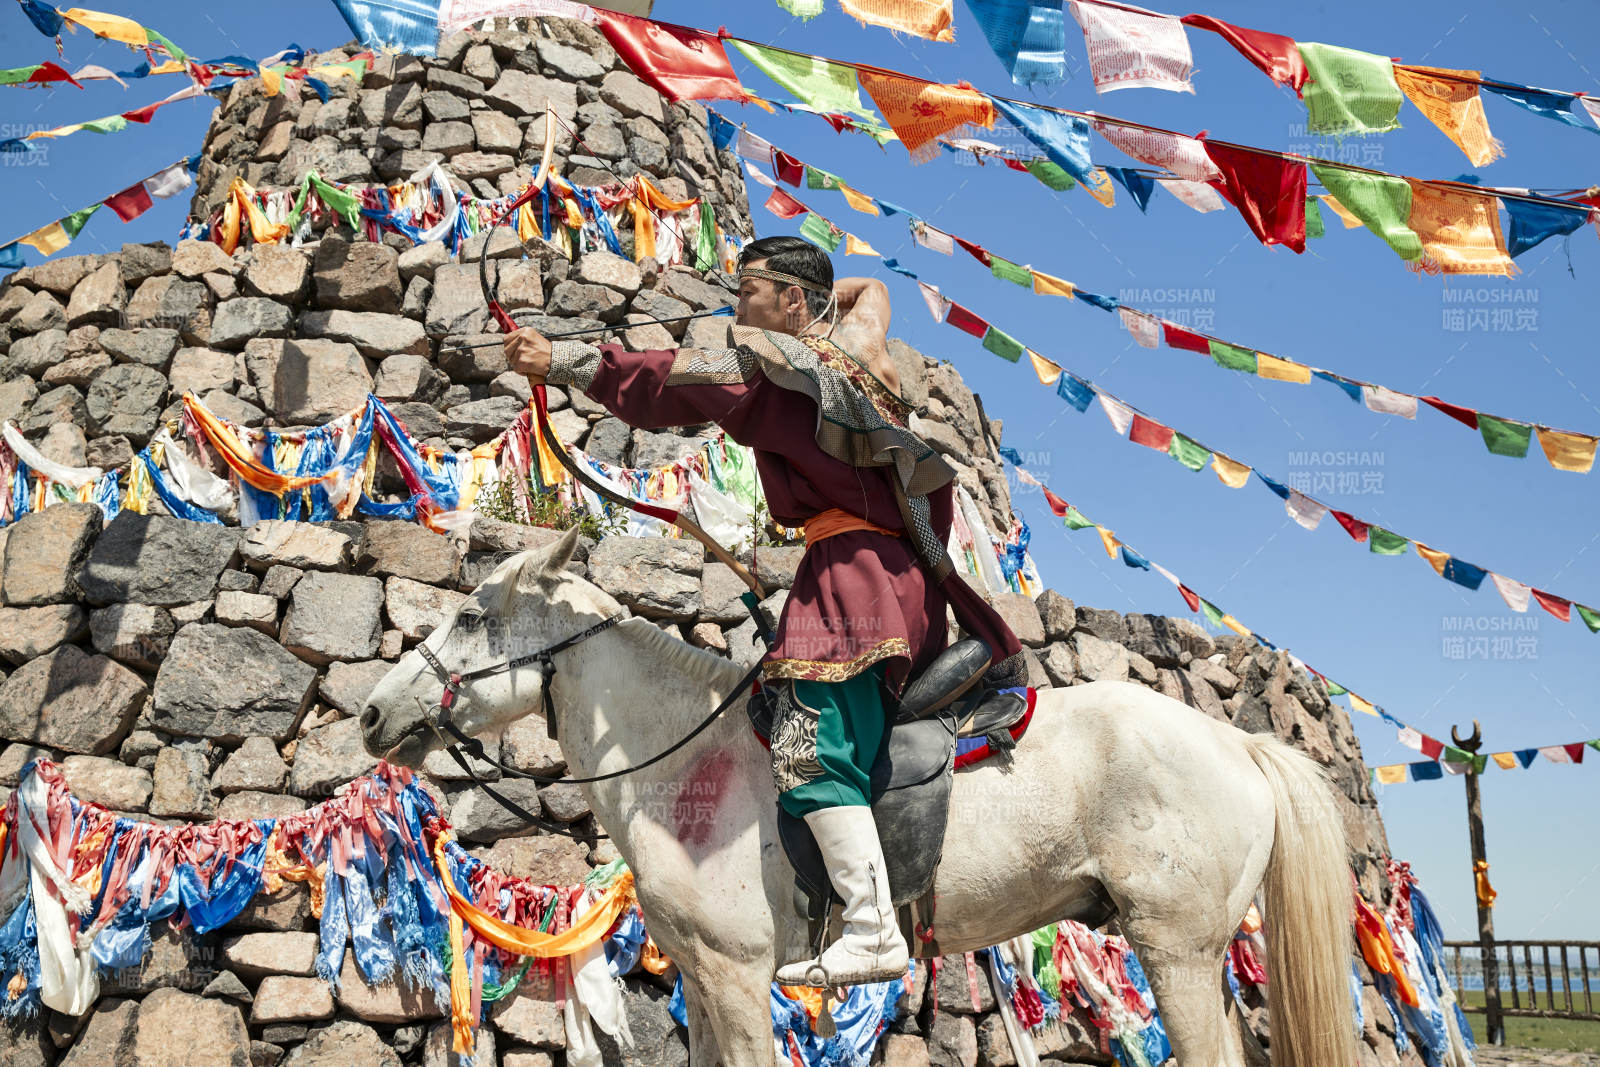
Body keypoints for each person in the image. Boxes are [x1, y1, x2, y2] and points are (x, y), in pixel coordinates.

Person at [505, 236, 1021, 986]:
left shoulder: (775, 370)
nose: (734, 306)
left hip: (854, 581)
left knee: (809, 740)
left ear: (792, 303)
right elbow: (871, 286)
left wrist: (561, 362)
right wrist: (824, 301)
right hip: (897, 577)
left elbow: (666, 384)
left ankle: (874, 926)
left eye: (748, 289)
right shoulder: (866, 348)